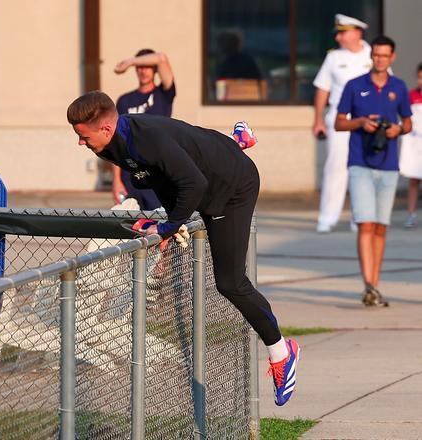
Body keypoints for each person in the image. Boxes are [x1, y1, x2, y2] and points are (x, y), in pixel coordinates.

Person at [67, 91, 299, 406]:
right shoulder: (111, 146)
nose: (80, 142)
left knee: (230, 282)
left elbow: (194, 184)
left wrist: (168, 225)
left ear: (105, 129)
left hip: (231, 188)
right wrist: (167, 221)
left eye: (83, 135)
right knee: (184, 154)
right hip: (203, 166)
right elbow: (163, 174)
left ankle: (282, 352)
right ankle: (232, 142)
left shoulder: (145, 140)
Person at [334, 35, 412, 306]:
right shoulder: (355, 86)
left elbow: (408, 123)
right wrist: (361, 122)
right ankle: (368, 283)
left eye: (384, 55)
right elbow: (338, 123)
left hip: (389, 165)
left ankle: (375, 285)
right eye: (376, 55)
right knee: (365, 223)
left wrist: (397, 129)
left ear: (392, 57)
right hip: (360, 163)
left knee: (380, 226)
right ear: (372, 57)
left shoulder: (399, 87)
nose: (379, 59)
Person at [312, 14, 372, 233]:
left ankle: (360, 217)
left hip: (368, 122)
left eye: (343, 32)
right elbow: (322, 89)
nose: (338, 37)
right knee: (335, 168)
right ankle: (327, 217)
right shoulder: (334, 58)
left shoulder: (373, 55)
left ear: (357, 32)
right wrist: (318, 119)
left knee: (363, 169)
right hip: (340, 120)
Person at [112, 49, 176, 209]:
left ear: (154, 69)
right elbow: (116, 142)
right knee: (131, 226)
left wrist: (131, 61)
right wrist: (116, 180)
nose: (143, 71)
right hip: (130, 174)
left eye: (147, 66)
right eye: (140, 67)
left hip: (158, 172)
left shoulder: (163, 94)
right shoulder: (124, 101)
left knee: (159, 223)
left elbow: (161, 58)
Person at [399, 63, 422, 228]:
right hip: (415, 145)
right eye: (420, 77)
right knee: (414, 180)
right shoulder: (411, 96)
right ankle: (411, 214)